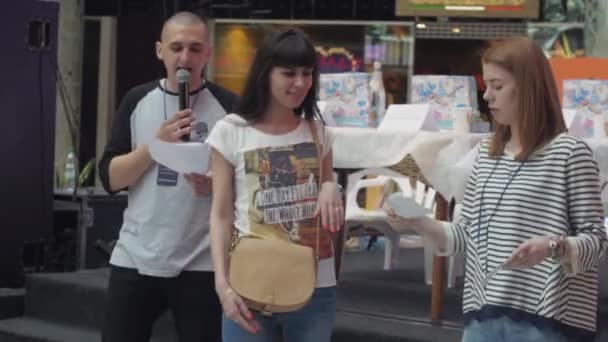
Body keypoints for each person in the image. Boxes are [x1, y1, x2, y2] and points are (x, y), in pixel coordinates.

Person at [387, 37, 607, 342]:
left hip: (548, 323)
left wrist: (553, 247)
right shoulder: (485, 155)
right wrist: (417, 222)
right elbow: (468, 237)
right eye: (486, 85)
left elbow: (597, 241)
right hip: (483, 318)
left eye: (497, 86)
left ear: (529, 88)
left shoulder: (570, 154)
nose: (487, 95)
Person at [97, 11, 237, 342]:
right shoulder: (137, 100)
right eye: (176, 48)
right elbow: (111, 178)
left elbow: (248, 182)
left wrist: (217, 185)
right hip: (136, 252)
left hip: (201, 258)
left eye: (194, 48)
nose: (185, 57)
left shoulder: (230, 107)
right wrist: (154, 146)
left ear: (208, 53)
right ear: (160, 51)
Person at [203, 28, 343, 342]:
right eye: (289, 73)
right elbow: (221, 214)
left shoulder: (319, 133)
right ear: (266, 73)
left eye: (307, 73)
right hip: (248, 282)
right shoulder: (230, 131)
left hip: (315, 284)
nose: (300, 83)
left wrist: (331, 186)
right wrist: (222, 286)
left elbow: (327, 194)